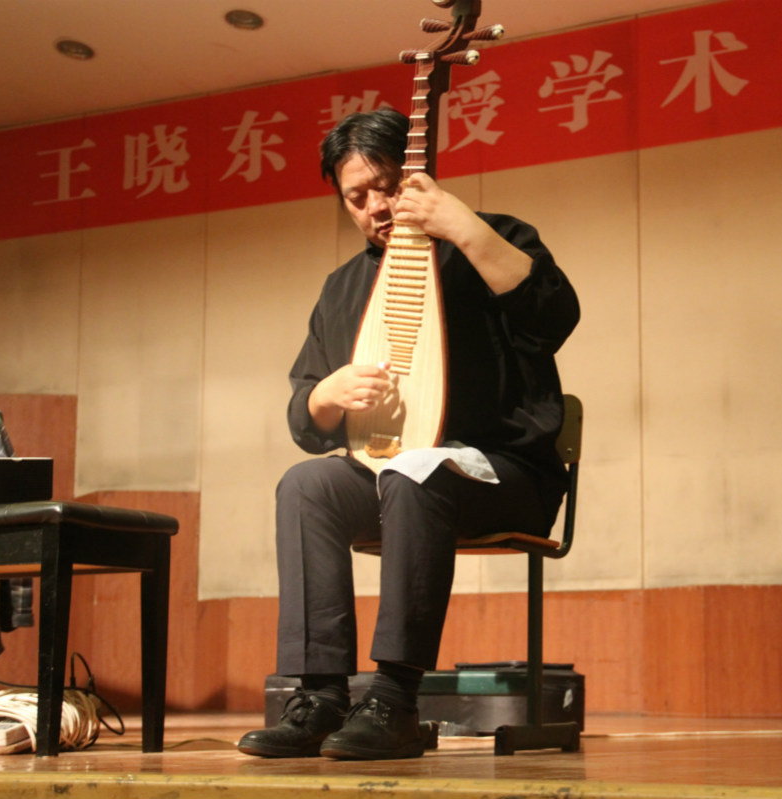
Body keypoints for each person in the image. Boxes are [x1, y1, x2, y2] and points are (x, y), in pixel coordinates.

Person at [237, 108, 579, 761]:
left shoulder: (493, 238)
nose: (375, 206)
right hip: (393, 473)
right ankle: (319, 697)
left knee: (413, 470)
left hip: (503, 474)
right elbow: (305, 420)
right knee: (306, 485)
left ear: (417, 175)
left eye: (387, 186)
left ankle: (394, 700)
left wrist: (461, 225)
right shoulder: (343, 288)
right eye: (356, 197)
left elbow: (555, 315)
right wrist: (325, 396)